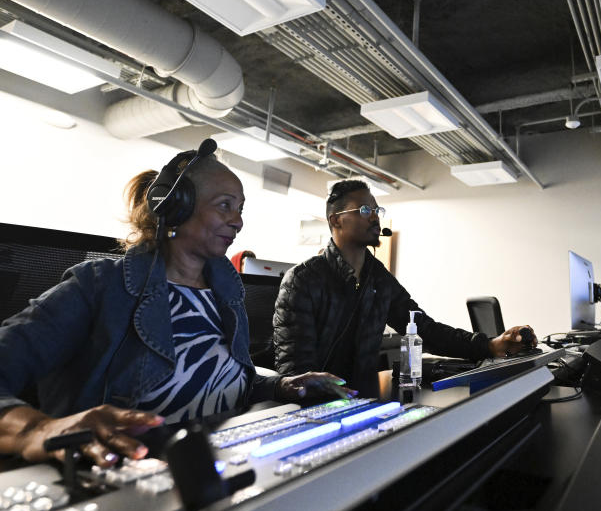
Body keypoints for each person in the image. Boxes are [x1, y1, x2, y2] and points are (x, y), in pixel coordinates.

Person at [0, 142, 352, 467]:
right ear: (177, 207)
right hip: (132, 468)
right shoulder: (99, 285)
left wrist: (280, 385)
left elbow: (221, 382)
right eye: (224, 205)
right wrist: (35, 430)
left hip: (213, 462)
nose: (238, 220)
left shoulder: (226, 294)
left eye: (240, 208)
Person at [273, 180, 538, 397]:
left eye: (377, 210)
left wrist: (489, 345)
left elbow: (425, 329)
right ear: (336, 221)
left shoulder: (377, 278)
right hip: (320, 411)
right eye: (365, 211)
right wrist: (327, 395)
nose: (375, 217)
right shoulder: (303, 280)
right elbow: (296, 373)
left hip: (363, 402)